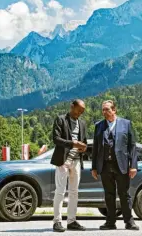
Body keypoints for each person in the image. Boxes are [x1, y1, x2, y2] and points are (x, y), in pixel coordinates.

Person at [91, 100, 139, 230]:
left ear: (114, 110)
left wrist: (133, 165)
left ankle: (129, 221)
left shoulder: (126, 124)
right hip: (105, 165)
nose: (104, 112)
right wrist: (94, 167)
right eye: (103, 110)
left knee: (124, 194)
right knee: (109, 194)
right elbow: (95, 148)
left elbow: (132, 146)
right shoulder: (99, 126)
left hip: (121, 165)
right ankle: (110, 222)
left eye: (107, 109)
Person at [50, 99, 87, 232]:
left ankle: (71, 221)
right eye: (78, 110)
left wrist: (83, 147)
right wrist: (73, 144)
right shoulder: (60, 120)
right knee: (60, 191)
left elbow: (83, 142)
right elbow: (56, 139)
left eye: (82, 111)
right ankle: (57, 221)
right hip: (63, 161)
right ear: (72, 107)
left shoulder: (82, 123)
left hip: (76, 161)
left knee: (74, 192)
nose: (80, 113)